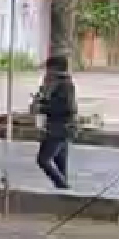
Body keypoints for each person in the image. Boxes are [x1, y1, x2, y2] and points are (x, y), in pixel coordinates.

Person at [32, 55, 77, 189]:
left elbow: (68, 107)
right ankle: (63, 192)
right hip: (58, 127)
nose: (47, 72)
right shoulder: (55, 83)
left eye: (49, 69)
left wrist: (42, 108)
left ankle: (63, 187)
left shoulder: (65, 84)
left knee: (43, 159)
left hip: (60, 128)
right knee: (59, 162)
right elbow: (53, 101)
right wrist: (41, 98)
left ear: (55, 69)